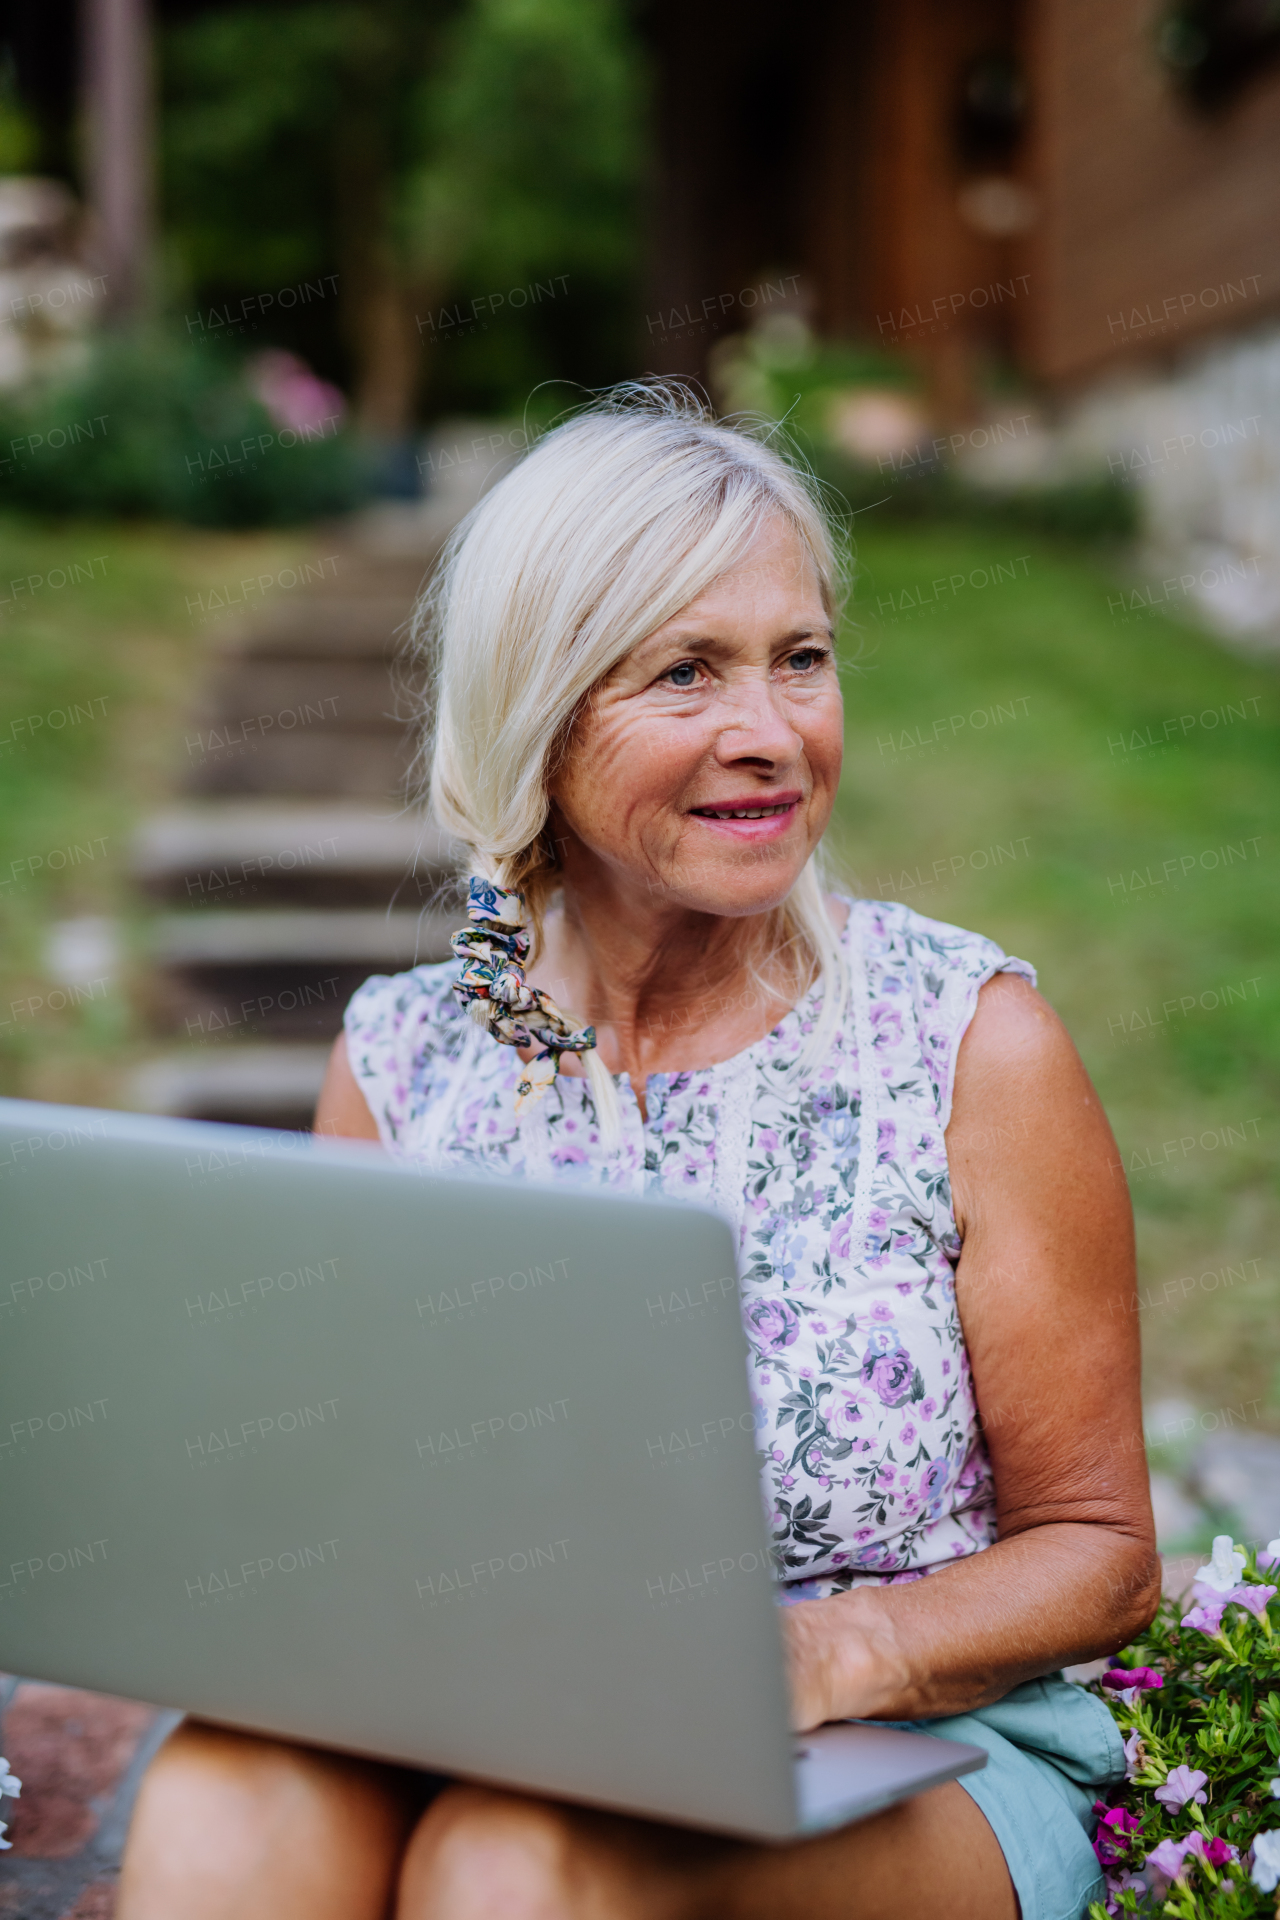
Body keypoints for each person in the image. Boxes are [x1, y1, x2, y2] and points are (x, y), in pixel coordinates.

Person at [119, 388, 1158, 1920]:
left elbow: (1101, 1550)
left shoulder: (965, 1043)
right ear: (541, 715)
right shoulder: (404, 1062)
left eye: (799, 659)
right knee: (225, 1793)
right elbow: (341, 1502)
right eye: (686, 672)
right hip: (509, 1715)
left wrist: (827, 1653)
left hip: (912, 1743)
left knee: (522, 1861)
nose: (772, 734)